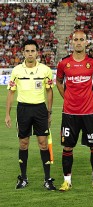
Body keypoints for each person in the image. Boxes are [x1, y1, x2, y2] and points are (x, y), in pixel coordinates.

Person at [56, 31, 93, 191]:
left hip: (89, 112)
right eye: (75, 40)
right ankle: (67, 181)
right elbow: (58, 82)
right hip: (69, 113)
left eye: (81, 40)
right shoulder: (64, 64)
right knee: (67, 147)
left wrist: (92, 96)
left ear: (86, 43)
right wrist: (67, 98)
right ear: (72, 42)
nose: (78, 42)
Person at [5, 39, 56, 191]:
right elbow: (11, 92)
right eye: (27, 51)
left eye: (32, 51)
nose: (30, 53)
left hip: (40, 109)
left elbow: (49, 91)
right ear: (23, 53)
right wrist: (7, 114)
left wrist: (49, 112)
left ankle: (47, 179)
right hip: (23, 110)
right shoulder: (16, 71)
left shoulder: (45, 70)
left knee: (43, 143)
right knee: (23, 144)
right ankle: (23, 178)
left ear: (37, 52)